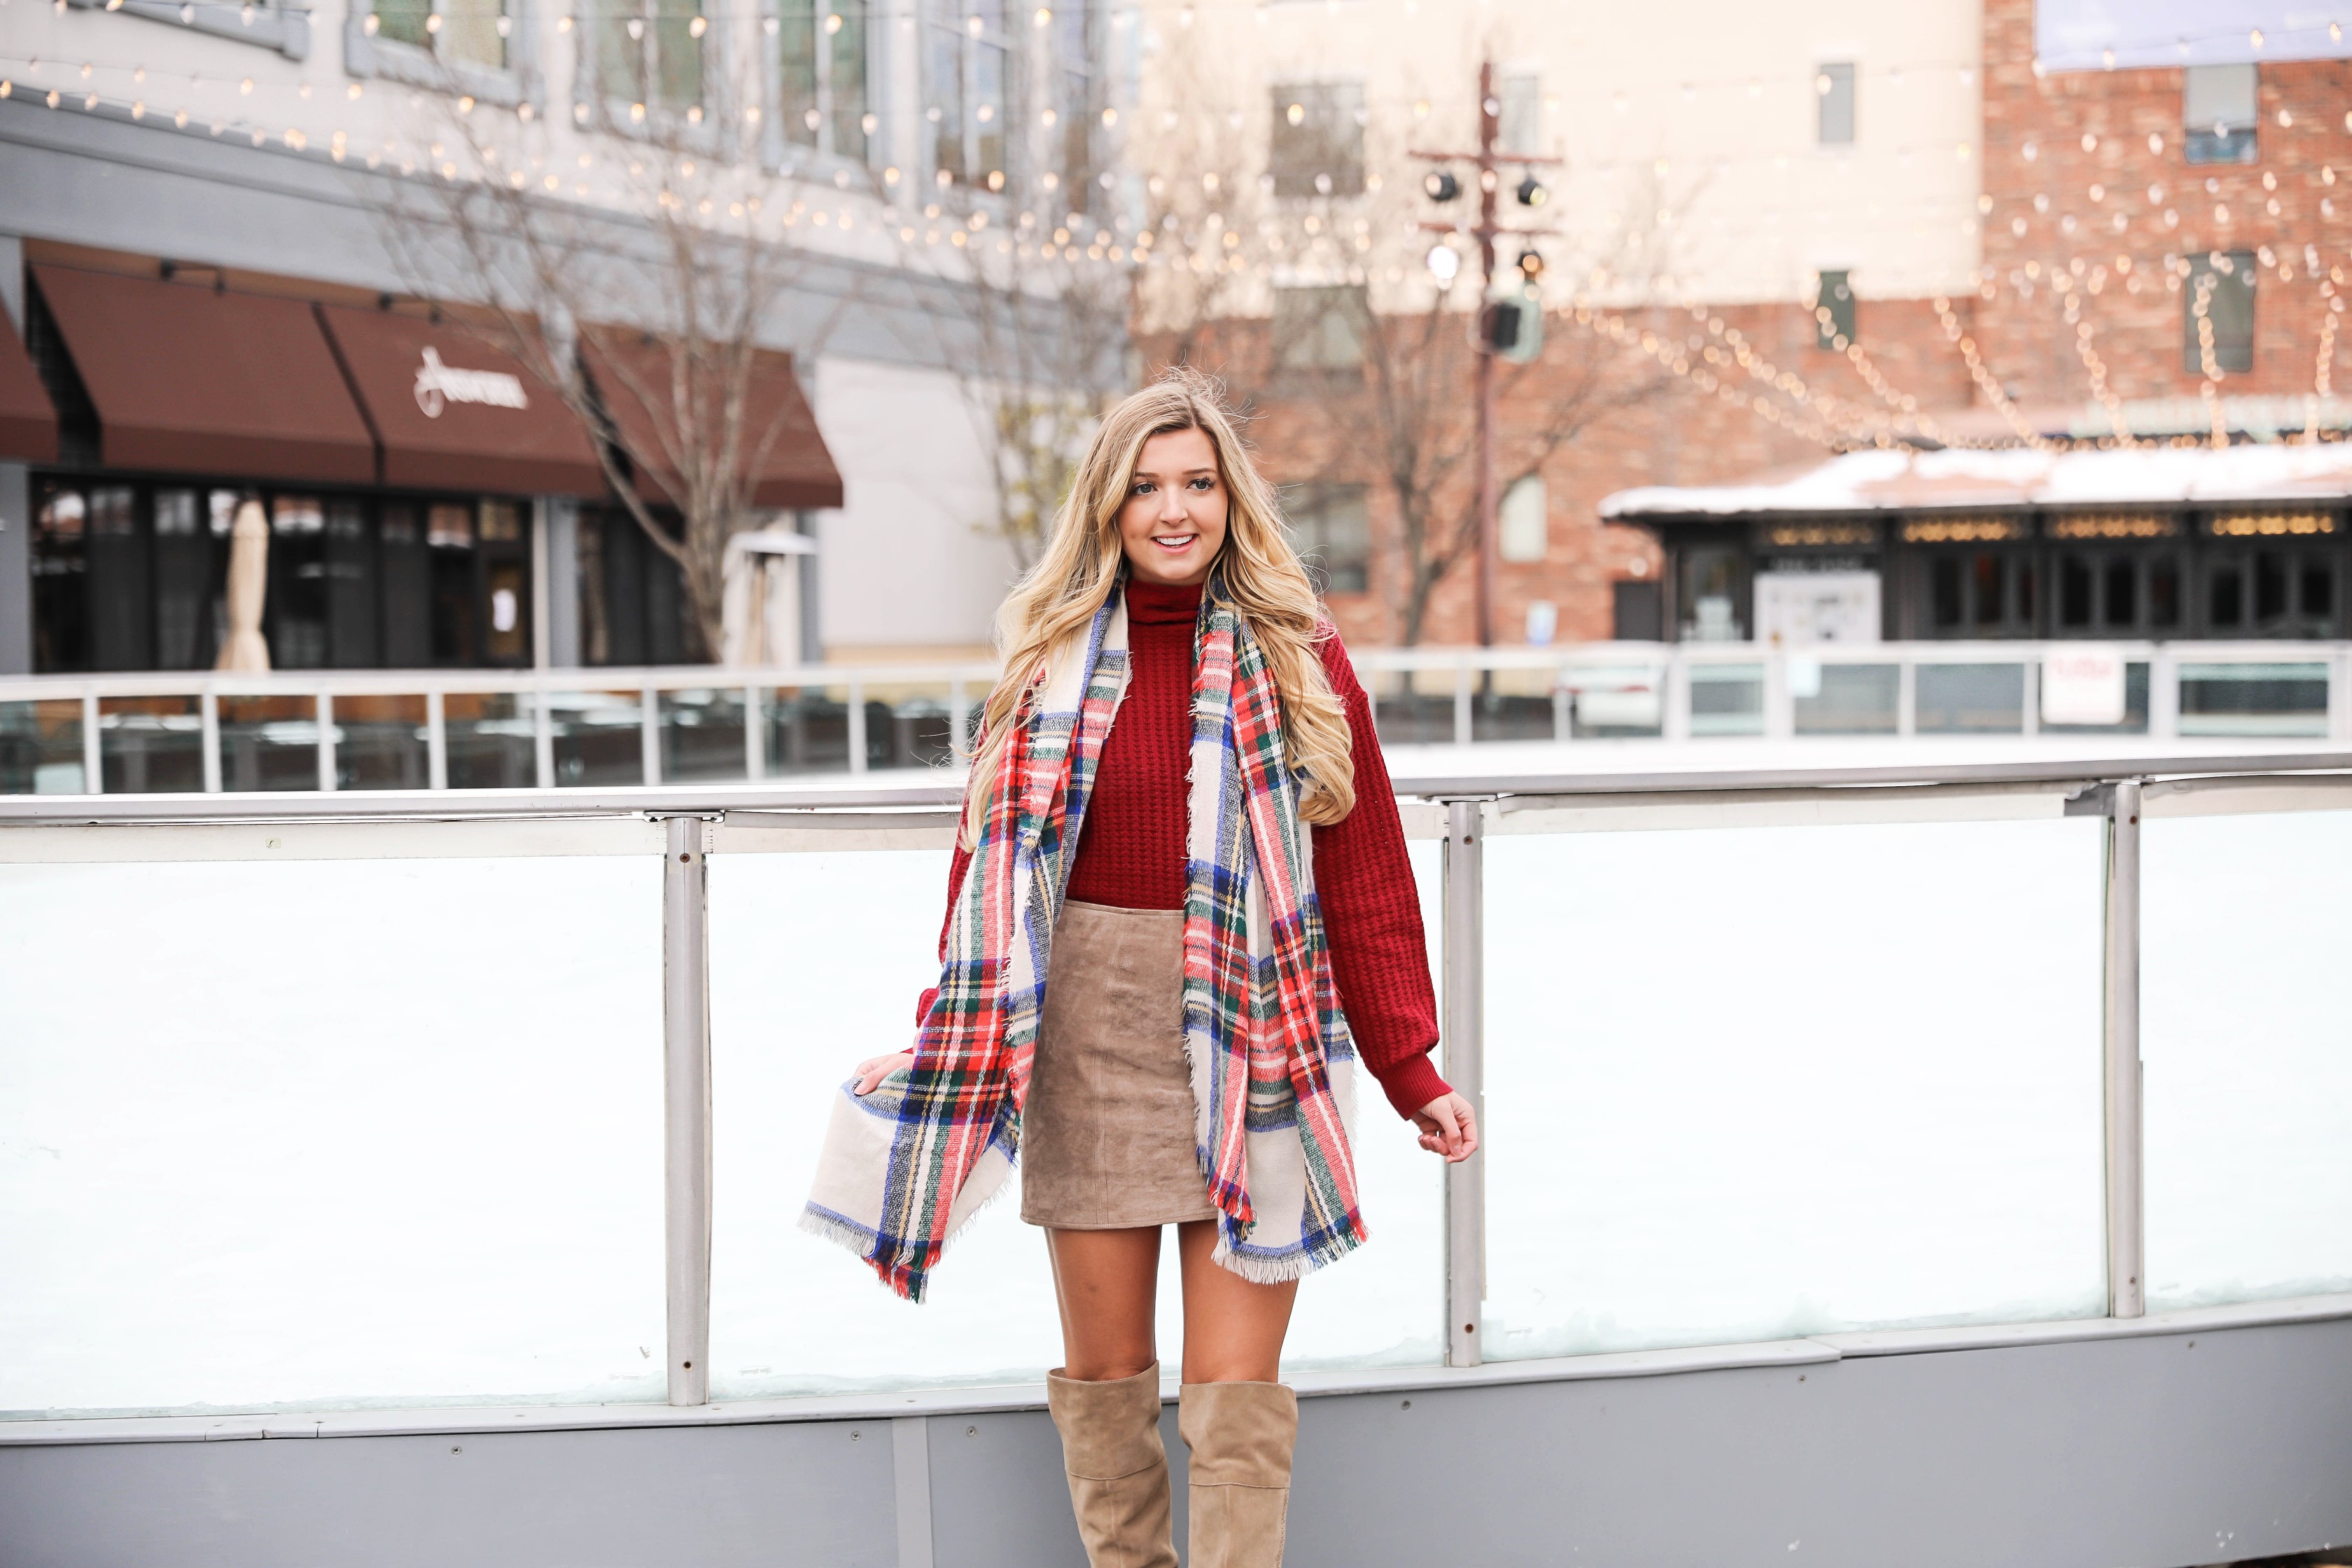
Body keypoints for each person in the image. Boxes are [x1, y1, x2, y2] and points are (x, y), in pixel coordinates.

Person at [812, 371, 1476, 1568]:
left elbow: (1366, 872)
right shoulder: (1048, 664)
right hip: (1088, 1037)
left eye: (1199, 484)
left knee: (1234, 1404)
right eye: (1147, 487)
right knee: (1110, 1382)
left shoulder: (1300, 658)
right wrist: (941, 1037)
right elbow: (988, 889)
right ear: (1108, 507)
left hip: (1258, 1027)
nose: (1175, 510)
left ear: (1232, 499)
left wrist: (1410, 1067)